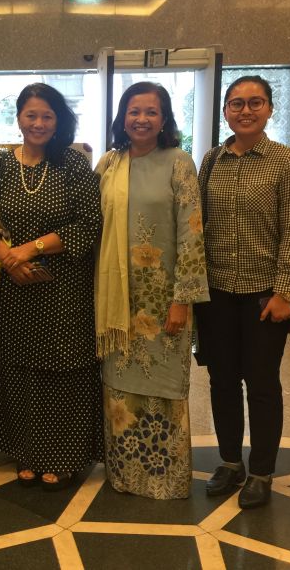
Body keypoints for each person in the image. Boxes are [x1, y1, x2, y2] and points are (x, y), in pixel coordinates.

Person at [0, 82, 103, 491]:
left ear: (58, 120)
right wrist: (8, 259)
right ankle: (25, 451)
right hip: (12, 288)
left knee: (61, 370)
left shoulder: (73, 165)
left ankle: (62, 456)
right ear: (19, 118)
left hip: (62, 288)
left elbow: (88, 224)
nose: (39, 123)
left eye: (47, 116)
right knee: (16, 368)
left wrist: (26, 250)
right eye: (32, 115)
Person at [194, 75, 290, 509]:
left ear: (269, 109)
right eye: (236, 103)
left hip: (264, 295)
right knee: (221, 381)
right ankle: (229, 462)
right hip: (216, 292)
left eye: (255, 102)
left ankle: (260, 469)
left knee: (262, 383)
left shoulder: (284, 162)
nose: (245, 110)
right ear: (225, 110)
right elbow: (197, 226)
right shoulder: (211, 160)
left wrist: (283, 292)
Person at [95, 82, 209, 500]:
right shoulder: (109, 163)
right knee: (120, 387)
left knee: (163, 386)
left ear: (164, 120)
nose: (141, 119)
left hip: (162, 299)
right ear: (122, 117)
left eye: (151, 112)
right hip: (114, 301)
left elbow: (192, 233)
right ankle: (125, 475)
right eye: (134, 111)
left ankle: (165, 477)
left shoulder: (179, 163)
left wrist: (183, 300)